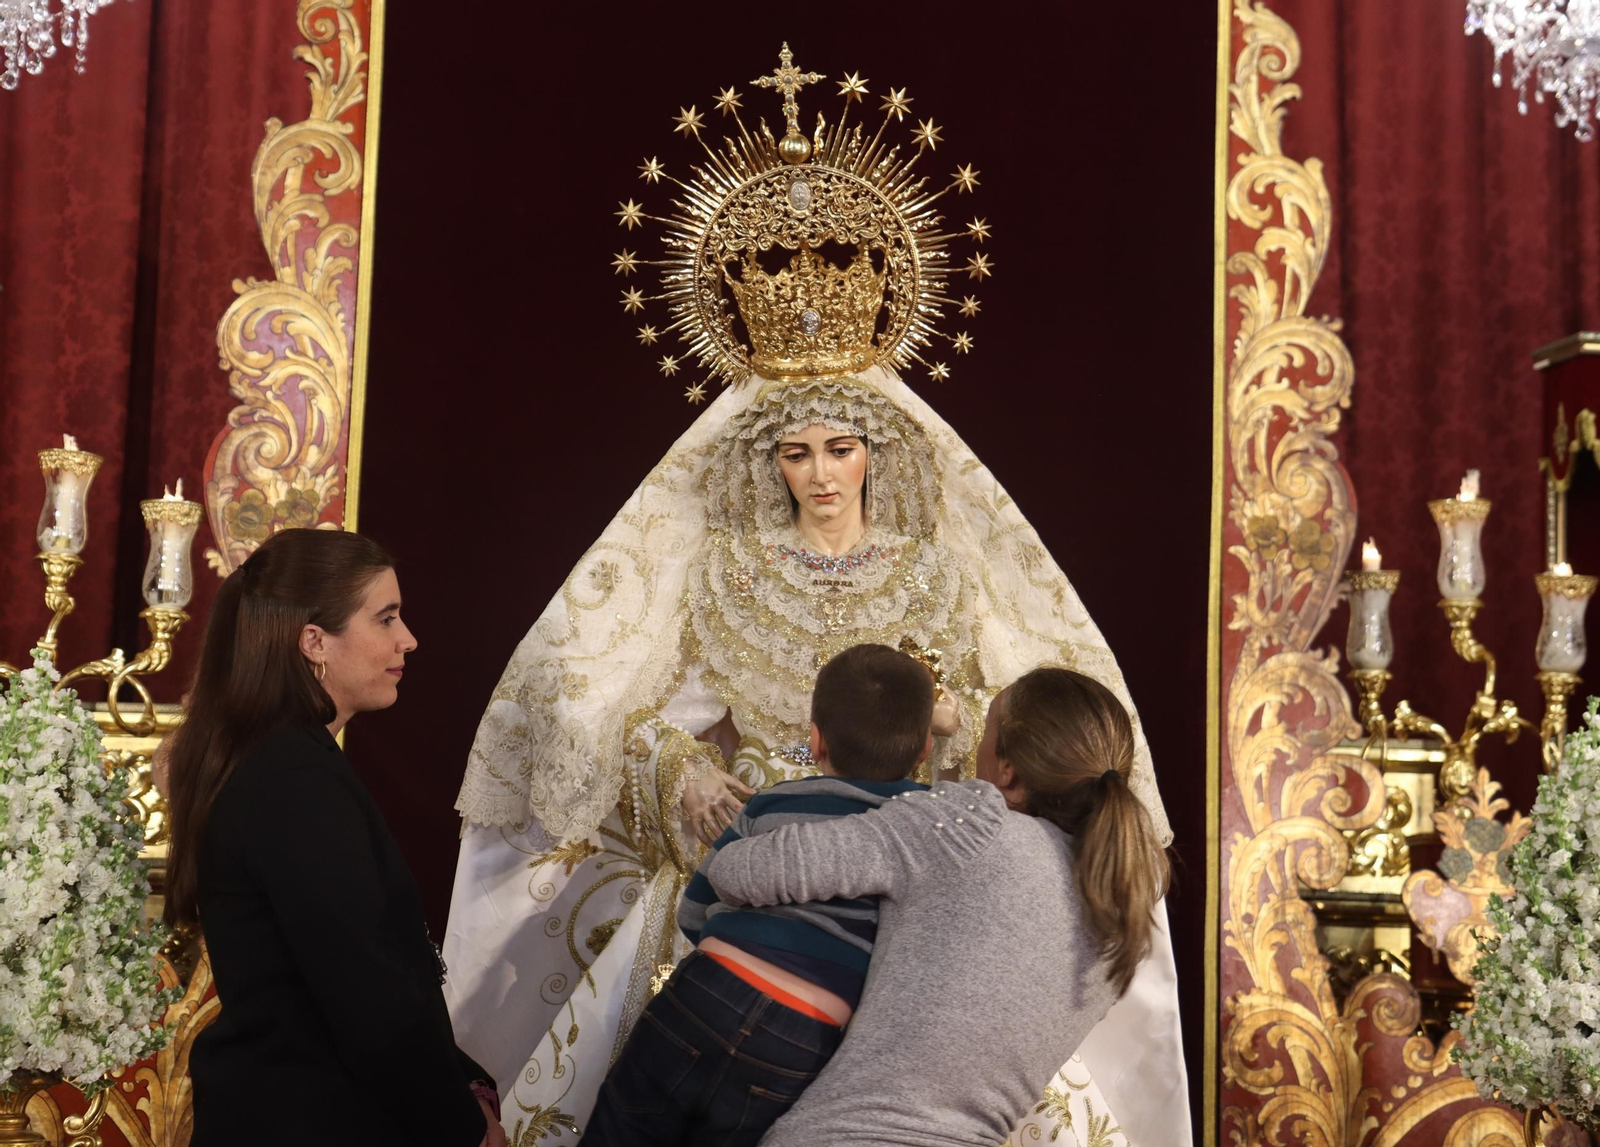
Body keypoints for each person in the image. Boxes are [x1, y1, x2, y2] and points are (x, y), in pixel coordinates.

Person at [443, 47, 1186, 1147]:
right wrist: (683, 769)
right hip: (753, 877)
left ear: (876, 449)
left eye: (841, 447)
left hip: (911, 900)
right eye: (797, 451)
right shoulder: (728, 570)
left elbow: (998, 750)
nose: (822, 473)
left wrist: (946, 721)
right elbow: (640, 716)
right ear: (770, 460)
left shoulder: (931, 571)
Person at [704, 666, 1172, 1146]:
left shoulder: (974, 822)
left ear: (1008, 772)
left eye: (986, 733)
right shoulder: (1121, 910)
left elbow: (745, 872)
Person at [162, 528, 502, 1147]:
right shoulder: (291, 774)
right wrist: (461, 1125)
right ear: (315, 641)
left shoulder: (282, 760)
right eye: (386, 618)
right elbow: (366, 992)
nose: (408, 639)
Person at [579, 643, 934, 1145]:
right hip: (803, 1037)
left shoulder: (770, 802)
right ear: (925, 751)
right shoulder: (926, 829)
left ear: (815, 740)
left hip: (704, 993)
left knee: (622, 1127)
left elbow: (694, 910)